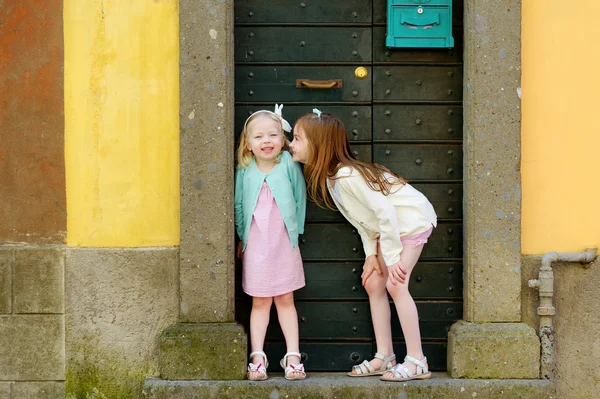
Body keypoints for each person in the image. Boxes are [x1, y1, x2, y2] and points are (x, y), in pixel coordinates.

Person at [289, 109, 437, 382]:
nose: (290, 144)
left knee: (396, 284)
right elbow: (365, 221)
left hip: (412, 221)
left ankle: (417, 361)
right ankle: (385, 356)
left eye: (297, 139)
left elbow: (385, 212)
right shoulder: (332, 178)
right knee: (373, 282)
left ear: (318, 144)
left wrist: (392, 259)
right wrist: (371, 256)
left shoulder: (347, 176)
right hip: (389, 229)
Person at [235, 104, 307, 381]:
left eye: (273, 135)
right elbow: (239, 204)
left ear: (283, 139)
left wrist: (296, 233)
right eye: (259, 137)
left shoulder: (287, 164)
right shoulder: (244, 168)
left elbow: (299, 198)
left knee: (286, 298)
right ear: (249, 144)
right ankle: (257, 357)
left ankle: (292, 356)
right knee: (260, 301)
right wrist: (242, 238)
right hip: (256, 244)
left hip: (283, 242)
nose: (267, 141)